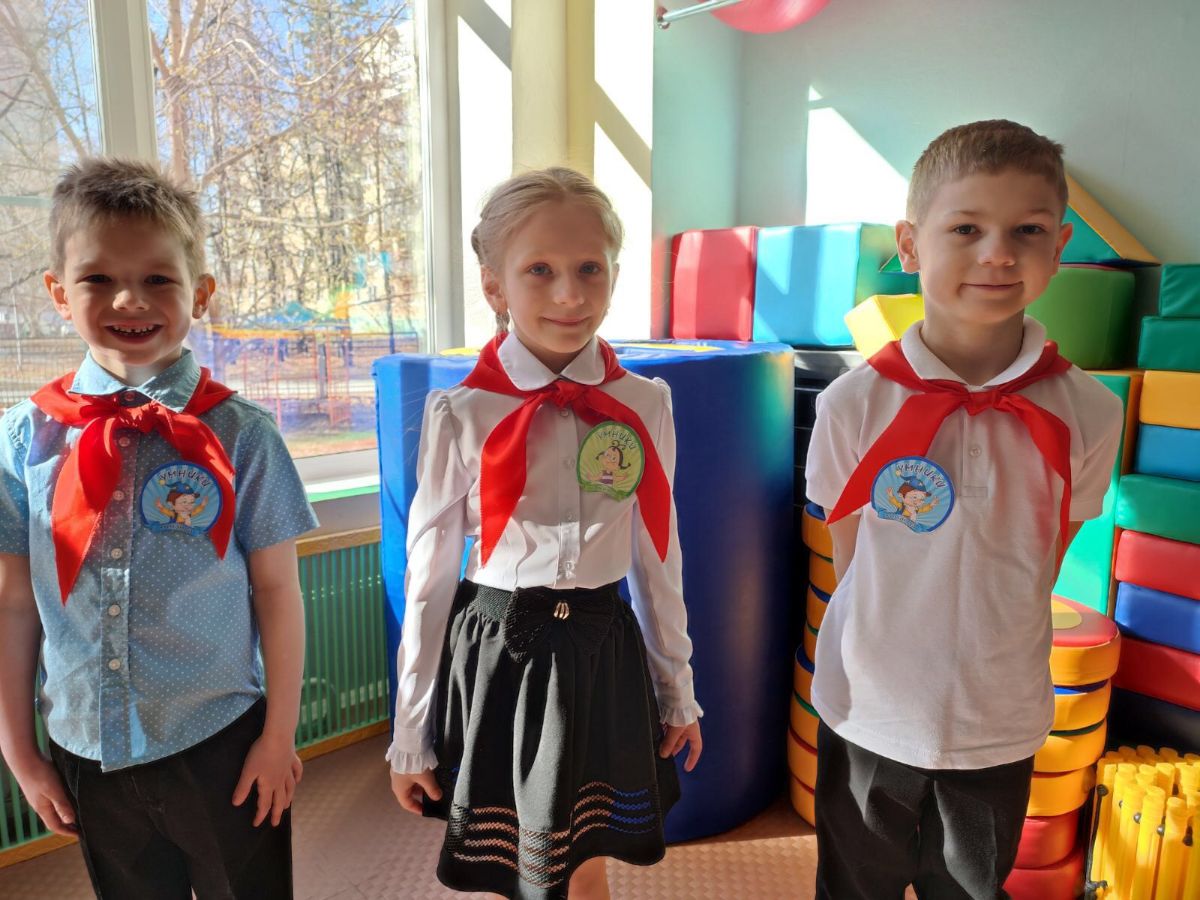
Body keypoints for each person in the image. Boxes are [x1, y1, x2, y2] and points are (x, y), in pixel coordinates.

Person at [805, 120, 1125, 899]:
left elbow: (1046, 557)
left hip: (998, 721)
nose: (998, 253)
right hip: (870, 710)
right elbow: (850, 555)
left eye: (1028, 230)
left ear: (1060, 245)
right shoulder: (853, 404)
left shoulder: (1089, 410)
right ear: (911, 245)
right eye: (966, 229)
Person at [0, 157, 317, 899]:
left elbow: (277, 591)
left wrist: (279, 737)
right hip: (86, 745)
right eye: (97, 278)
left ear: (200, 293)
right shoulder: (23, 440)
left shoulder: (241, 434)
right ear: (58, 293)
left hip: (219, 741)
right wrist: (19, 749)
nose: (129, 299)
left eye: (158, 278)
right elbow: (14, 602)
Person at [387, 167, 703, 899]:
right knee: (516, 863)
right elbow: (428, 577)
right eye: (540, 270)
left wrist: (677, 688)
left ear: (613, 274)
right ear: (494, 286)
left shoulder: (645, 403)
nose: (570, 294)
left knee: (586, 856)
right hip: (499, 653)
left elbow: (658, 552)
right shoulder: (461, 413)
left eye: (590, 268)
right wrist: (410, 730)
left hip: (601, 649)